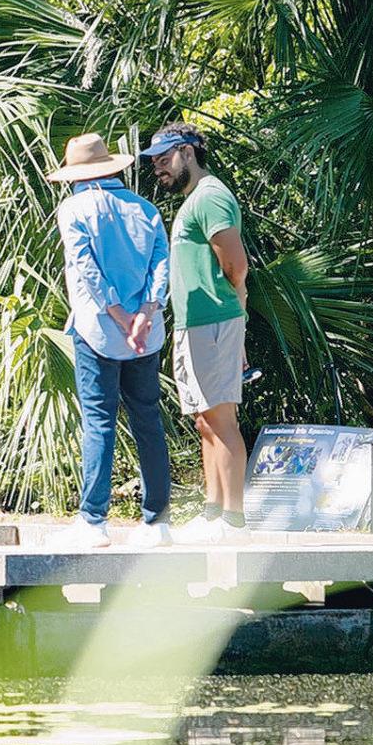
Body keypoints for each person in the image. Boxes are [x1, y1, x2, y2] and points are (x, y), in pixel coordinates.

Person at [44, 132, 174, 549]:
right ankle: (158, 522)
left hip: (98, 329)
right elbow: (161, 265)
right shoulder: (146, 209)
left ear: (75, 175)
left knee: (99, 421)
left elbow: (86, 268)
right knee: (148, 420)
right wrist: (145, 315)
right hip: (146, 335)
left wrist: (119, 316)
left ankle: (93, 521)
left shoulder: (73, 208)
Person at [141, 123, 250, 543]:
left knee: (221, 419)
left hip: (214, 321)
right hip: (195, 325)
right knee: (205, 421)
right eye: (154, 162)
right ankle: (212, 513)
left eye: (164, 159)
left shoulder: (211, 196)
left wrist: (235, 313)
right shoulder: (194, 199)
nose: (159, 169)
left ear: (187, 152)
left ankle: (233, 522)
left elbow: (236, 266)